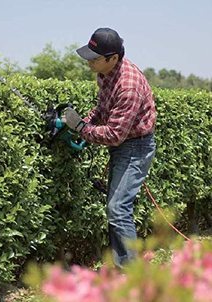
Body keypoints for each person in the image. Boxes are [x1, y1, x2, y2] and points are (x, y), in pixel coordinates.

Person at [62, 27, 156, 268]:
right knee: (116, 208)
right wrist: (85, 122)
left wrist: (81, 128)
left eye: (94, 59)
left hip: (135, 147)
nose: (89, 63)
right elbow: (103, 109)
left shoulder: (128, 85)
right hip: (124, 145)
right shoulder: (105, 73)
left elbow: (114, 134)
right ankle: (122, 267)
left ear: (113, 58)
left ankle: (132, 275)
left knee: (118, 208)